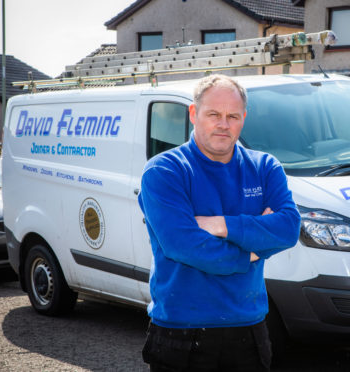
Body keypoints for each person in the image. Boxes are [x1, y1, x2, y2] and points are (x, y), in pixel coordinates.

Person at [138, 74, 301, 372]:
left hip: (249, 332)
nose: (223, 124)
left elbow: (289, 228)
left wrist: (221, 225)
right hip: (180, 334)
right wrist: (253, 249)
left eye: (232, 116)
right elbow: (183, 246)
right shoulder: (164, 171)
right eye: (213, 114)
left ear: (243, 119)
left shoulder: (265, 168)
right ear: (193, 114)